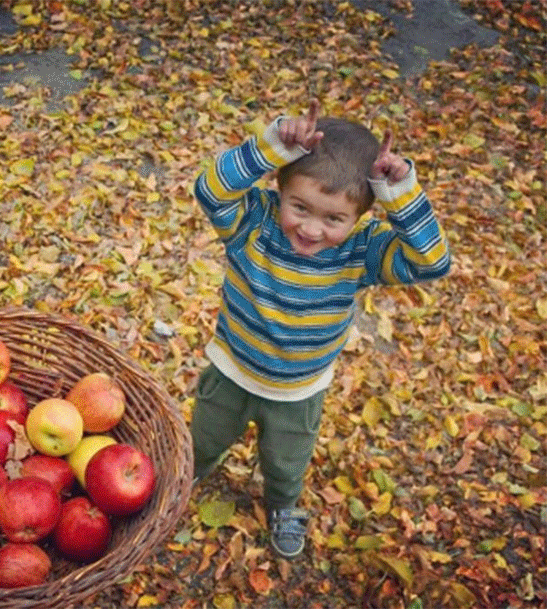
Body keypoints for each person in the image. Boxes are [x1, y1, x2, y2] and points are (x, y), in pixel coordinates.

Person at [190, 100, 450, 559]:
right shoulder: (254, 222)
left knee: (286, 463)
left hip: (299, 391)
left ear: (360, 218)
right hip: (231, 371)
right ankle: (183, 476)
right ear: (279, 188)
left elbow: (432, 262)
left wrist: (400, 193)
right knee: (202, 440)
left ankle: (283, 506)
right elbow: (210, 190)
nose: (311, 229)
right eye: (300, 207)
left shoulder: (361, 251)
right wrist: (272, 148)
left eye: (333, 218)